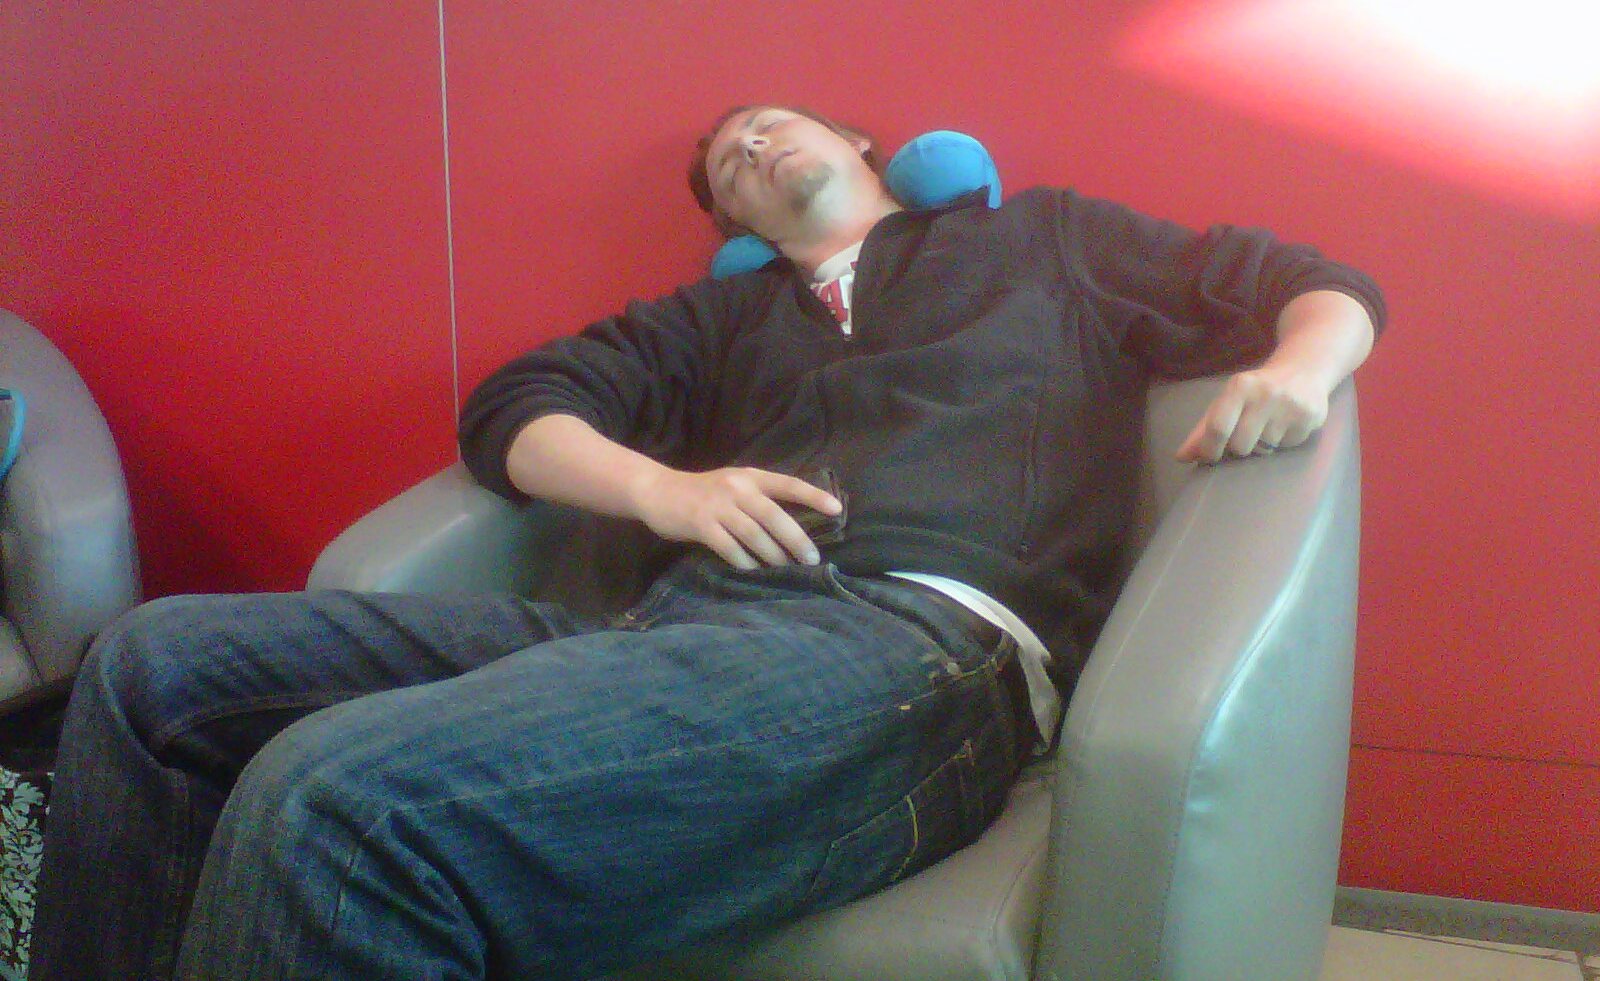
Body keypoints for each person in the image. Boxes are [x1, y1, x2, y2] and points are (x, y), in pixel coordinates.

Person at [27, 105, 1383, 981]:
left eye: (776, 122)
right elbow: (514, 409)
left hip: (915, 646)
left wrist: (1303, 370)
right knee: (150, 665)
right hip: (668, 635)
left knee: (340, 804)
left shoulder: (1043, 242)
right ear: (732, 227)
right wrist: (664, 493)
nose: (754, 145)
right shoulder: (722, 324)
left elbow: (1306, 284)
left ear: (865, 145)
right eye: (730, 159)